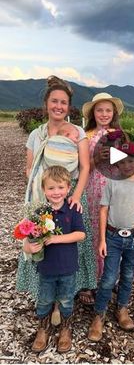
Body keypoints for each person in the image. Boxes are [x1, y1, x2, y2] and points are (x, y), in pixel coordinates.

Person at [16, 75, 96, 312]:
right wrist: (44, 190)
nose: (59, 106)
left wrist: (74, 195)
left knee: (73, 244)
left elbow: (85, 167)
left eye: (63, 102)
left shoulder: (77, 132)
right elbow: (29, 170)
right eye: (54, 101)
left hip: (70, 196)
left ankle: (70, 293)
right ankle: (44, 293)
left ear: (68, 106)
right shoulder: (36, 135)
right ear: (46, 104)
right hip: (43, 197)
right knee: (41, 240)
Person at [88, 142, 134, 342]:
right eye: (122, 162)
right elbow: (103, 210)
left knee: (127, 275)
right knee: (108, 278)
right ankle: (99, 315)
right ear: (116, 164)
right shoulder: (112, 183)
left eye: (131, 161)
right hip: (113, 237)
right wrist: (102, 239)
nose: (127, 165)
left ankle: (122, 309)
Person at [31, 166, 86, 353]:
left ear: (68, 188)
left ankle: (65, 329)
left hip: (67, 267)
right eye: (51, 188)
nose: (56, 192)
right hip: (46, 267)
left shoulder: (73, 209)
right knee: (44, 300)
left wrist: (55, 238)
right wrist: (30, 246)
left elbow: (80, 235)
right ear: (44, 190)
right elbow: (29, 237)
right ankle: (43, 329)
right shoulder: (39, 211)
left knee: (66, 299)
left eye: (60, 187)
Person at [80, 93, 124, 304]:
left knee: (111, 232)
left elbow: (127, 163)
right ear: (93, 113)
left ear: (113, 113)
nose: (104, 114)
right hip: (90, 187)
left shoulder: (120, 135)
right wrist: (96, 158)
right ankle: (89, 280)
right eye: (100, 110)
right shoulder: (85, 135)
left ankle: (109, 278)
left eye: (108, 110)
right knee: (91, 233)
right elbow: (82, 164)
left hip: (112, 188)